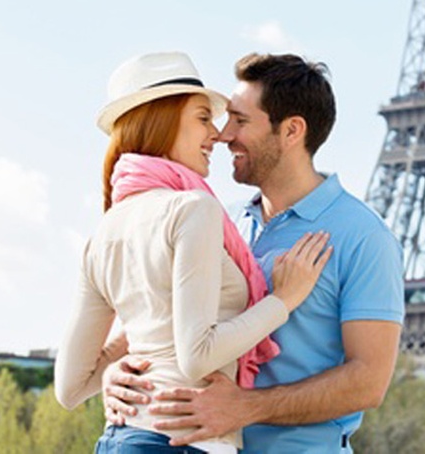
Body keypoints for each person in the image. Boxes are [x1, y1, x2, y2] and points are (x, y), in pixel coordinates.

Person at [102, 53, 405, 452]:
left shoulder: (363, 236)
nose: (224, 135)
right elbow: (151, 322)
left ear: (292, 130)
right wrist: (112, 373)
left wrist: (245, 408)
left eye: (241, 121)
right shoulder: (215, 222)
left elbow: (368, 381)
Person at [54, 51, 332, 453]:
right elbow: (197, 356)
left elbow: (69, 387)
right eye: (203, 118)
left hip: (123, 438)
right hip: (182, 443)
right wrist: (283, 300)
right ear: (162, 119)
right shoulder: (193, 209)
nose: (217, 135)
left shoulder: (104, 233)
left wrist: (117, 369)